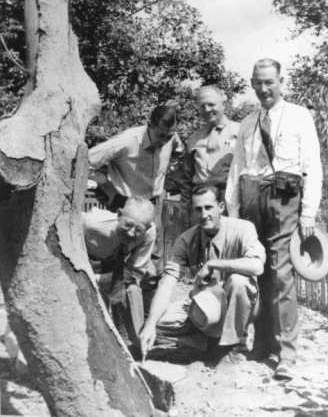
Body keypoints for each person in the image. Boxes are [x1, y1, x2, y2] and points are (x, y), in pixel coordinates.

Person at [225, 58, 322, 380]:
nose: (264, 89)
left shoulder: (298, 116)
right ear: (252, 84)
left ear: (281, 81)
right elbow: (238, 168)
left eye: (269, 82)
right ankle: (262, 343)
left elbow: (313, 165)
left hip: (284, 196)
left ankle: (287, 353)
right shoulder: (247, 122)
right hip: (252, 195)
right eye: (258, 82)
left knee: (281, 274)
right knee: (258, 271)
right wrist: (234, 211)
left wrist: (308, 211)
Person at [140, 185, 265, 361]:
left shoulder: (243, 228)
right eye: (198, 209)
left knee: (238, 281)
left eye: (208, 208)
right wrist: (151, 324)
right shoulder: (186, 240)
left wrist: (216, 264)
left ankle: (233, 344)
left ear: (221, 207)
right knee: (156, 323)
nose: (203, 214)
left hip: (241, 303)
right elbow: (167, 284)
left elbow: (257, 266)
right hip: (207, 305)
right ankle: (205, 340)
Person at [88, 104, 184, 271]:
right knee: (116, 260)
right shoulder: (128, 140)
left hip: (153, 204)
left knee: (152, 262)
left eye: (169, 136)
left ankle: (148, 296)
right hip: (125, 205)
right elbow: (87, 159)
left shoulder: (171, 138)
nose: (164, 141)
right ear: (150, 124)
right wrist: (104, 183)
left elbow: (178, 151)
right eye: (160, 135)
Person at [82, 197, 158, 344]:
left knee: (132, 288)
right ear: (118, 214)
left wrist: (101, 280)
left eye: (138, 230)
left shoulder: (149, 232)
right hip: (89, 258)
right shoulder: (92, 223)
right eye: (128, 225)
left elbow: (134, 270)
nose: (131, 233)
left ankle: (136, 341)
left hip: (118, 263)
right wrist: (88, 276)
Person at [180, 86, 239, 224]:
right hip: (201, 203)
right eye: (202, 106)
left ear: (223, 103)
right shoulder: (194, 138)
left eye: (211, 104)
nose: (207, 110)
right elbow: (186, 178)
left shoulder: (241, 132)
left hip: (230, 201)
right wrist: (186, 208)